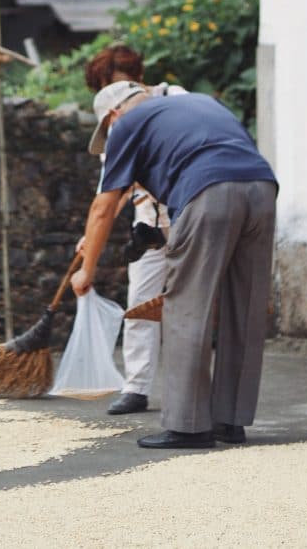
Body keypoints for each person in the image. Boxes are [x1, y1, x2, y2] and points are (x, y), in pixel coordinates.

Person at [71, 86, 277, 449]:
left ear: (112, 116)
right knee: (245, 307)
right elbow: (213, 176)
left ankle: (189, 426)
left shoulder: (126, 126)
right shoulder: (198, 104)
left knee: (186, 307)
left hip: (208, 189)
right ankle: (230, 421)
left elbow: (103, 208)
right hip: (261, 189)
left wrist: (86, 272)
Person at [81, 45, 187, 416]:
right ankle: (136, 387)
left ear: (138, 78)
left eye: (122, 84)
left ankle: (191, 389)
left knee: (193, 302)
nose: (118, 94)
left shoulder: (175, 99)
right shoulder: (115, 124)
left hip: (187, 212)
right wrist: (92, 233)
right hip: (147, 220)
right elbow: (110, 190)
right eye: (108, 87)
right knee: (139, 302)